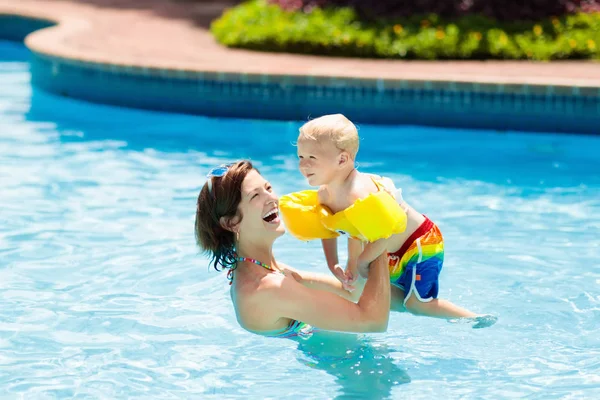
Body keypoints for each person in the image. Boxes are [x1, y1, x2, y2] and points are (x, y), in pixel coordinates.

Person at [282, 113, 480, 320]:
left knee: (418, 305)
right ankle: (408, 299)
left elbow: (384, 233)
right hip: (386, 249)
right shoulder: (325, 194)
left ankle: (473, 318)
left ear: (342, 159)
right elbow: (330, 225)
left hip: (419, 244)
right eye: (300, 157)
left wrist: (361, 262)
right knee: (357, 289)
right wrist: (335, 264)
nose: (303, 166)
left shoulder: (358, 194)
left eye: (312, 158)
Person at [194, 160, 394, 338]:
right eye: (255, 196)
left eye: (268, 188)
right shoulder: (267, 288)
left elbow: (351, 292)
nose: (272, 199)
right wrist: (380, 232)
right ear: (231, 223)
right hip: (346, 364)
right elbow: (373, 322)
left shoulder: (263, 268)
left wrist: (354, 223)